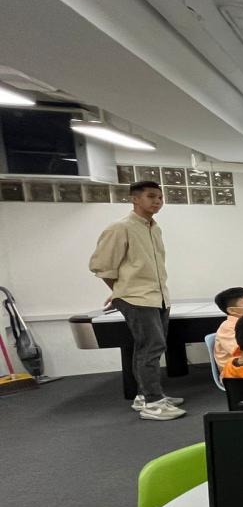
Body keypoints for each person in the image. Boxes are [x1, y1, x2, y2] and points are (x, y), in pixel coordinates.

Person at [88, 180, 185, 421]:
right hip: (136, 298)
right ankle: (153, 403)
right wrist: (120, 291)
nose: (157, 201)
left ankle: (144, 395)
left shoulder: (154, 228)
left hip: (157, 296)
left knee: (149, 347)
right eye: (151, 196)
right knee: (151, 348)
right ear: (134, 198)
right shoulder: (120, 228)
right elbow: (102, 266)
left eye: (160, 197)